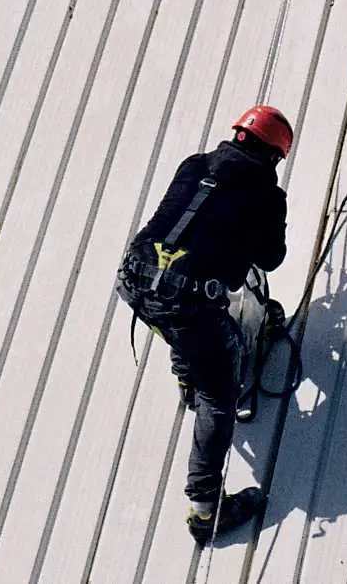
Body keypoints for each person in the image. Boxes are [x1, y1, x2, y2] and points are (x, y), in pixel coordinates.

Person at [115, 104, 292, 544]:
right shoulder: (268, 197)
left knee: (179, 320)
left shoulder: (194, 164)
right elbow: (271, 258)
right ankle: (206, 511)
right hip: (188, 301)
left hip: (134, 277)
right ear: (274, 156)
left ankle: (186, 378)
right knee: (219, 392)